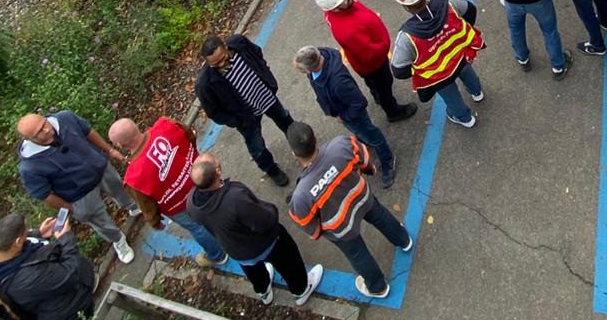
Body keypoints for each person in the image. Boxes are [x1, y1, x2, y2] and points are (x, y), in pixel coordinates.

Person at [287, 120, 412, 301]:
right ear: (315, 138)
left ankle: (378, 287)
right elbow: (366, 162)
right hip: (362, 197)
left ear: (294, 154)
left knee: (358, 254)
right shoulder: (341, 144)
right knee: (380, 216)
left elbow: (313, 231)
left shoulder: (300, 196)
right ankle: (403, 239)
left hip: (341, 227)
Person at [189, 154, 323, 305]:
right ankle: (301, 290)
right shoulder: (235, 197)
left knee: (254, 271)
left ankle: (263, 290)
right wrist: (272, 210)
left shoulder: (192, 203)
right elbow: (264, 221)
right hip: (265, 243)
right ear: (218, 171)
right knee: (289, 263)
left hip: (237, 251)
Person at [15, 110, 135, 262]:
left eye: (44, 123)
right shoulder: (29, 167)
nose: (46, 129)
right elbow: (45, 195)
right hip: (79, 194)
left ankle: (132, 206)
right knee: (99, 221)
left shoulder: (65, 118)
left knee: (119, 188)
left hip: (100, 168)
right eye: (39, 132)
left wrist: (109, 150)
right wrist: (72, 208)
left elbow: (88, 132)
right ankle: (117, 239)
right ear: (29, 139)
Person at [108, 116, 227, 267]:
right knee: (218, 200)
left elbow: (147, 205)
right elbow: (189, 135)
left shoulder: (133, 178)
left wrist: (155, 221)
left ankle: (217, 255)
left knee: (197, 228)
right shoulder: (165, 124)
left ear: (120, 145)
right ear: (136, 126)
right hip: (200, 178)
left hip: (179, 205)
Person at [0, 211, 95, 320]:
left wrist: (39, 234)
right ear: (18, 241)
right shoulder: (28, 278)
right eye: (26, 233)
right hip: (61, 311)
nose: (28, 234)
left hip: (45, 300)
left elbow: (19, 245)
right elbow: (70, 274)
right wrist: (66, 238)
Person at [194, 33, 296, 188]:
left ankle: (299, 144)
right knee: (257, 147)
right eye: (216, 64)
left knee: (285, 119)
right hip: (246, 118)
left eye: (223, 58)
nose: (222, 64)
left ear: (226, 46)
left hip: (265, 96)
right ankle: (271, 170)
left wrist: (266, 75)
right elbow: (214, 112)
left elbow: (257, 53)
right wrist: (236, 121)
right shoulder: (204, 84)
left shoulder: (239, 43)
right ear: (208, 62)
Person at [293, 46, 398, 188]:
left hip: (351, 115)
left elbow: (359, 103)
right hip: (343, 111)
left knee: (372, 135)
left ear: (312, 68)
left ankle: (387, 160)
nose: (303, 73)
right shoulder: (322, 56)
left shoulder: (338, 83)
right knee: (361, 133)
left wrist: (344, 117)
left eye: (302, 70)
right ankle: (364, 141)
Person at [389, 0, 486, 129]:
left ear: (406, 7)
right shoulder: (448, 2)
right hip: (460, 56)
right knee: (467, 72)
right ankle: (477, 92)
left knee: (451, 96)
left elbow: (399, 70)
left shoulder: (406, 37)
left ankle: (465, 118)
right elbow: (470, 10)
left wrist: (420, 69)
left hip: (438, 76)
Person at [313, 0, 416, 122]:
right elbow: (370, 53)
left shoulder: (337, 11)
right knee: (384, 86)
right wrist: (384, 45)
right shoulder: (348, 31)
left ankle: (377, 95)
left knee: (373, 83)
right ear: (334, 8)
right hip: (374, 64)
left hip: (362, 64)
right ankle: (393, 111)